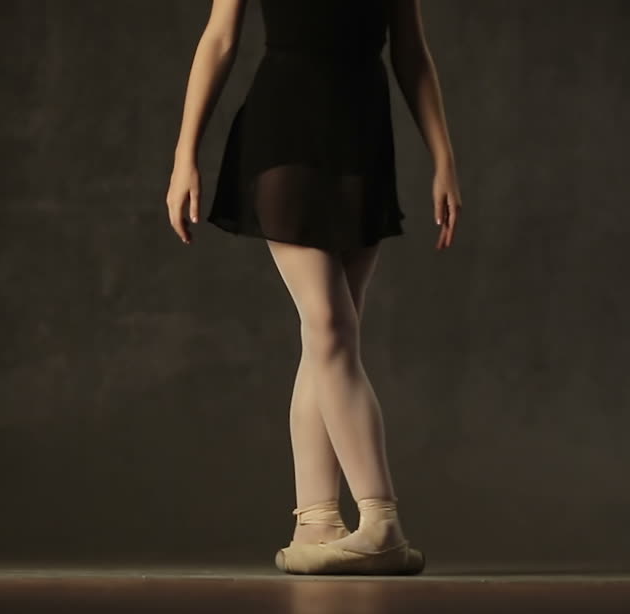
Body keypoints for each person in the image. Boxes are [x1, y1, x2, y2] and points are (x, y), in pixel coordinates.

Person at [165, 0, 461, 574]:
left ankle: (316, 521)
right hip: (284, 130)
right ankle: (382, 522)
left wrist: (443, 157)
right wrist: (185, 154)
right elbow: (219, 39)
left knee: (328, 340)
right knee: (330, 325)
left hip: (362, 136)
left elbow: (411, 53)